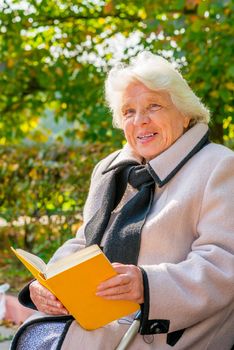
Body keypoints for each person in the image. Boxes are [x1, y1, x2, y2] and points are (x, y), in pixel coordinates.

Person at [11, 52, 234, 350]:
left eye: (153, 106)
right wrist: (48, 286)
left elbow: (222, 263)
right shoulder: (111, 168)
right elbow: (85, 242)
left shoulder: (219, 166)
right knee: (37, 336)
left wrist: (146, 284)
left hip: (166, 333)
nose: (140, 121)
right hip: (99, 319)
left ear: (185, 113)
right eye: (128, 111)